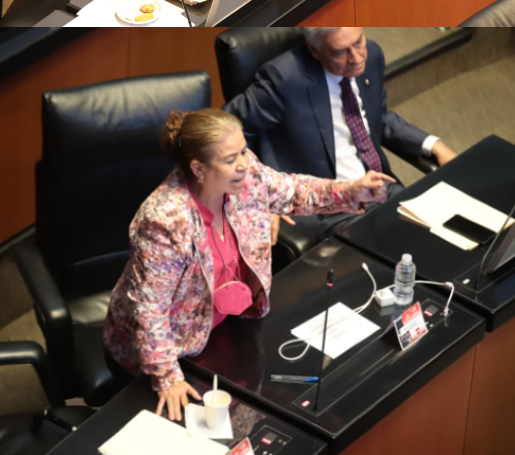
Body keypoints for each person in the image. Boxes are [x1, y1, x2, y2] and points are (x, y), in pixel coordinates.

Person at [103, 108, 395, 421]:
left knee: (249, 421)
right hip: (168, 349)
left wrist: (350, 191)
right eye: (230, 160)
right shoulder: (164, 219)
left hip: (228, 325)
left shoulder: (248, 173)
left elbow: (294, 191)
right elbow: (150, 309)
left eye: (243, 151)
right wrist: (166, 376)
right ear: (198, 168)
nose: (243, 163)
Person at [222, 27, 457, 246]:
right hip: (330, 208)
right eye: (340, 52)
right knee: (406, 254)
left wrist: (434, 145)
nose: (356, 57)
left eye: (358, 42)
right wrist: (261, 193)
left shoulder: (372, 54)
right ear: (314, 50)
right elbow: (223, 134)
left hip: (381, 187)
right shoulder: (284, 79)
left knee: (451, 234)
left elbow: (377, 117)